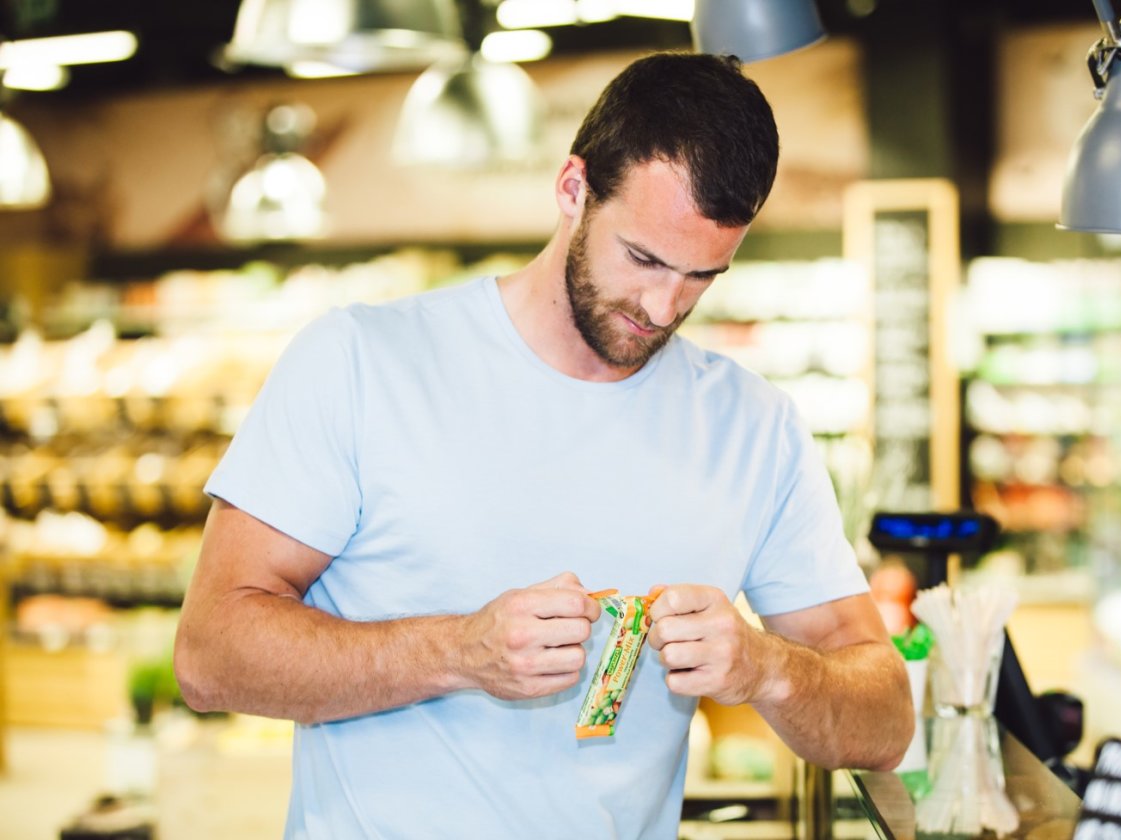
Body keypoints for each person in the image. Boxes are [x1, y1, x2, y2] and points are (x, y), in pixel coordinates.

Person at [174, 51, 914, 839]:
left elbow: (885, 719)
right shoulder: (361, 360)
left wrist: (766, 666)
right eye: (644, 258)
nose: (663, 306)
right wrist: (459, 651)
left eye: (703, 275)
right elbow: (210, 655)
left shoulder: (753, 428)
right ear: (572, 189)